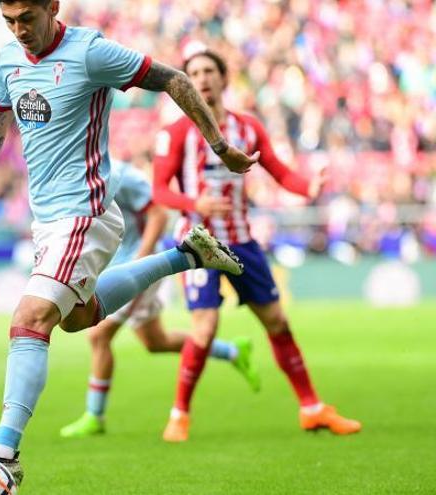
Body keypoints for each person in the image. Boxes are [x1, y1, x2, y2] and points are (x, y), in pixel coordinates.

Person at [0, 1, 258, 490]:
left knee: (29, 320)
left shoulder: (90, 53)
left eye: (27, 17)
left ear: (53, 6)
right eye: (9, 20)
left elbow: (173, 78)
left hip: (83, 214)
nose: (19, 29)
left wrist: (218, 145)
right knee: (78, 318)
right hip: (46, 221)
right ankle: (186, 255)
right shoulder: (8, 60)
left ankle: (2, 454)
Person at [152, 45, 361, 442]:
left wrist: (309, 186)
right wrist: (194, 202)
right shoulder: (176, 132)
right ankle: (179, 414)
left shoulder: (247, 127)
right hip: (198, 245)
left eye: (209, 71)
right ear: (186, 83)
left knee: (277, 321)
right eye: (193, 73)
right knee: (205, 326)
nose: (202, 79)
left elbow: (282, 173)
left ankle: (312, 408)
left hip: (242, 242)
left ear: (223, 78)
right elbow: (160, 191)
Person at [59, 161, 260, 439]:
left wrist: (140, 262)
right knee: (155, 342)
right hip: (113, 269)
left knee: (98, 335)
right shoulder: (79, 174)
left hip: (137, 269)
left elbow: (158, 214)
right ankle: (233, 351)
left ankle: (95, 416)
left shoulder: (121, 176)